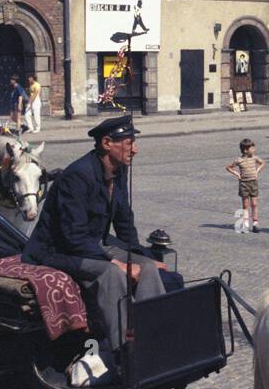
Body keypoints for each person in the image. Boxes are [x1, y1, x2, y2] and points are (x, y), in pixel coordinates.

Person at [23, 114, 165, 364]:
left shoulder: (118, 172)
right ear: (107, 143)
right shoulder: (77, 176)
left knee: (149, 268)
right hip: (57, 251)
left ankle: (155, 341)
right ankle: (126, 353)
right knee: (111, 274)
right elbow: (73, 237)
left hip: (89, 246)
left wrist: (142, 256)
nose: (135, 149)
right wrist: (114, 263)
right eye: (129, 142)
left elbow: (124, 223)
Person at [226, 137, 265, 233]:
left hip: (253, 182)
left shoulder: (254, 158)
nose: (254, 150)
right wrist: (237, 174)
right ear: (245, 150)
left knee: (254, 204)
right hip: (244, 183)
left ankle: (255, 223)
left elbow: (262, 163)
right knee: (245, 205)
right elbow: (228, 167)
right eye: (252, 148)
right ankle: (246, 224)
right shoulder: (239, 160)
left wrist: (257, 171)